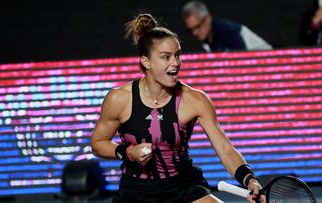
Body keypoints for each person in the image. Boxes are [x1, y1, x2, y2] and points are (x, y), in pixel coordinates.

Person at [91, 13, 266, 203]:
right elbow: (98, 143)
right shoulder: (119, 98)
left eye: (177, 55)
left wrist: (250, 180)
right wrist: (127, 152)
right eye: (166, 57)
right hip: (136, 192)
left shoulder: (196, 99)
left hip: (184, 187)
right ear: (146, 61)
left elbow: (225, 149)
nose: (175, 63)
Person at [182, 1, 272, 52]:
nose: (195, 33)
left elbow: (240, 58)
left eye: (197, 27)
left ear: (207, 19)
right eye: (191, 30)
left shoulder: (227, 31)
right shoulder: (208, 38)